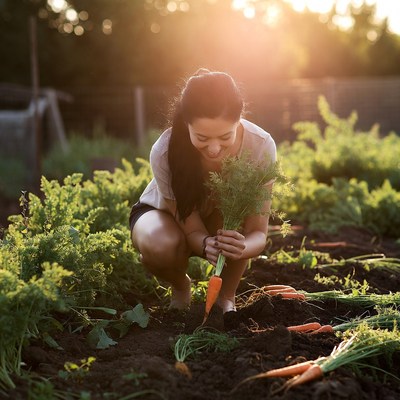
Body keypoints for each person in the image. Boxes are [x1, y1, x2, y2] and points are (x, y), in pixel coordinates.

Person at [130, 69, 276, 313]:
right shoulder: (165, 150)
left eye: (224, 136)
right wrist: (204, 242)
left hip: (223, 218)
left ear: (239, 119)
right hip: (166, 214)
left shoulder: (260, 146)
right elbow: (191, 226)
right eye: (202, 137)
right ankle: (180, 286)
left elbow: (257, 233)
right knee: (160, 245)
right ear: (186, 123)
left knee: (234, 227)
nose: (214, 148)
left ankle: (226, 297)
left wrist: (240, 247)